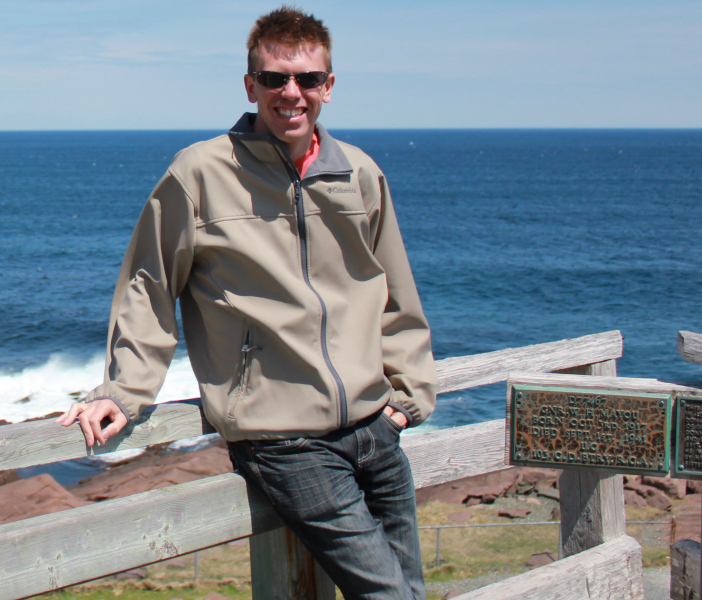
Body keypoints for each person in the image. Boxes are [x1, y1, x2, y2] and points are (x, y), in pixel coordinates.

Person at [56, 6, 436, 599]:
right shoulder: (200, 173)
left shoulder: (358, 174)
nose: (292, 93)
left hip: (374, 426)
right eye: (274, 78)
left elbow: (394, 290)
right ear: (250, 84)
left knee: (409, 589)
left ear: (328, 88)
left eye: (307, 80)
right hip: (284, 441)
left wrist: (406, 398)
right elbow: (149, 283)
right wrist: (124, 392)